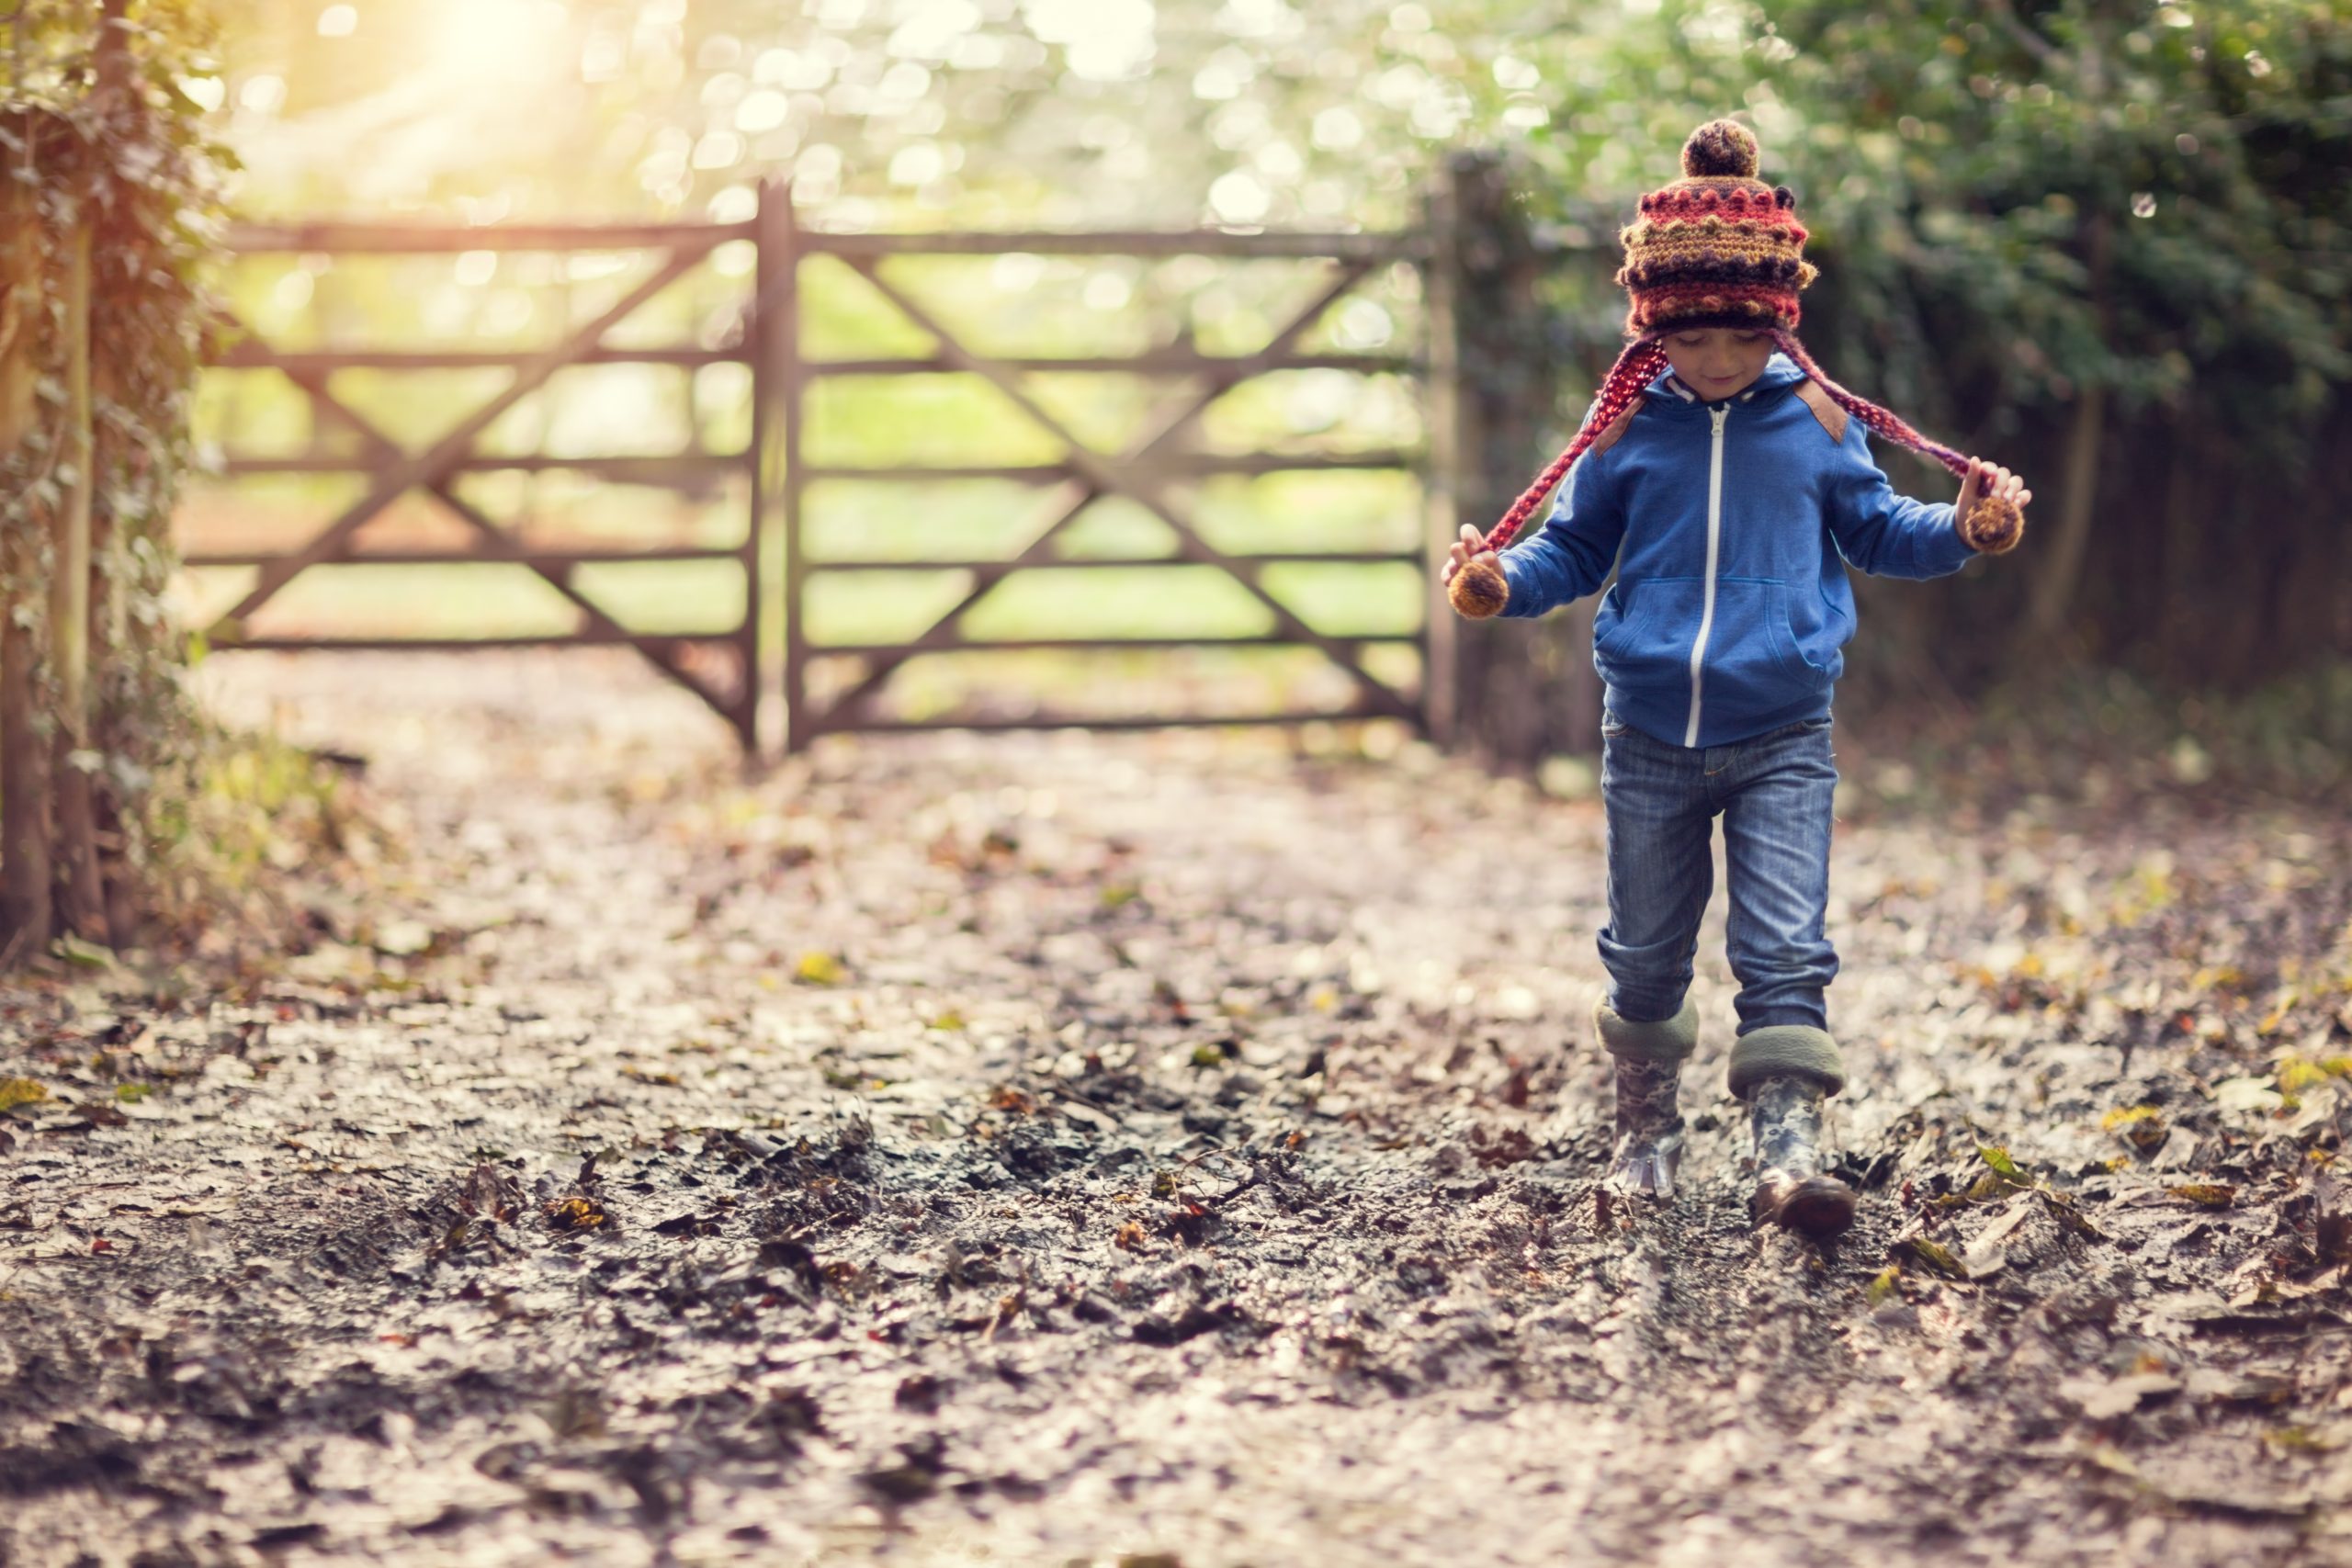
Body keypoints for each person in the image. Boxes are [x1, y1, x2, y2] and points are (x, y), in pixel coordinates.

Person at [1442, 118, 2030, 1240]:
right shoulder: (1622, 427)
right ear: (1652, 325)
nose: (1714, 357)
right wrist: (1497, 581)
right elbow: (1568, 550)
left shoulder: (1815, 419)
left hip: (1783, 730)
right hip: (1650, 734)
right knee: (1646, 945)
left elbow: (1881, 531)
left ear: (1777, 323)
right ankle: (1645, 1133)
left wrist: (1964, 528)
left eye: (1738, 333)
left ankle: (1787, 1149)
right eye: (1691, 333)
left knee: (1783, 945)